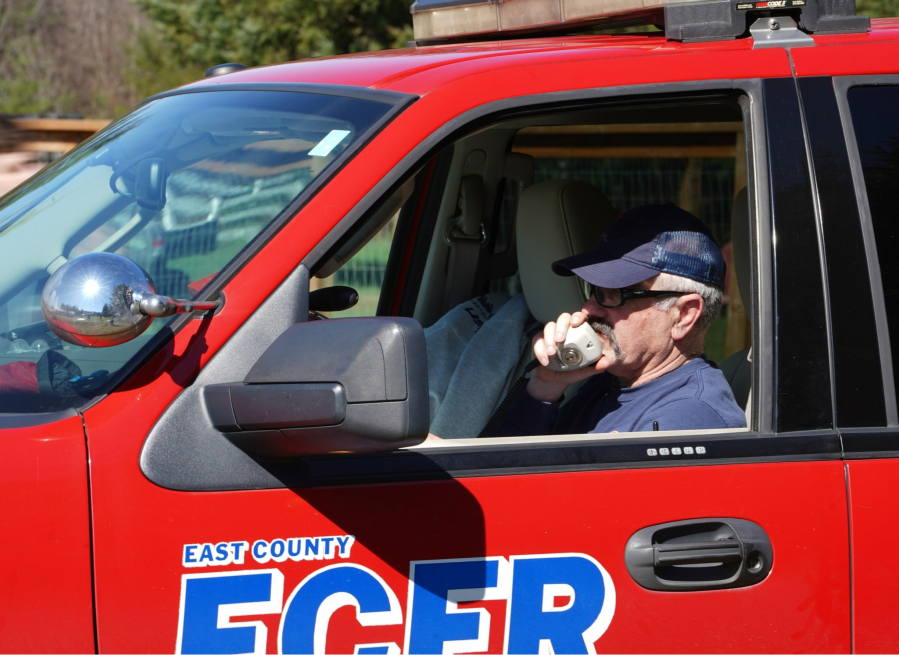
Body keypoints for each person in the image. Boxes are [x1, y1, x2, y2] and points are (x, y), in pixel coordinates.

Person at [495, 203, 746, 436]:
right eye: (593, 290)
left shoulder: (687, 420)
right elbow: (499, 472)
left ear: (684, 315)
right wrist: (545, 385)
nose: (589, 308)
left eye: (616, 293)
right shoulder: (606, 383)